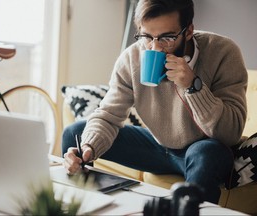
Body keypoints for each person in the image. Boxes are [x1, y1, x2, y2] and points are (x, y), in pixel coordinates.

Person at [62, 0, 247, 204]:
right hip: (159, 147)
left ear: (188, 31)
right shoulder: (131, 59)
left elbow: (230, 133)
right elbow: (108, 115)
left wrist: (193, 85)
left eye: (167, 37)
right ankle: (83, 207)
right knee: (76, 133)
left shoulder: (223, 53)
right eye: (146, 36)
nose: (155, 48)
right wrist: (88, 148)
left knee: (206, 152)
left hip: (204, 151)